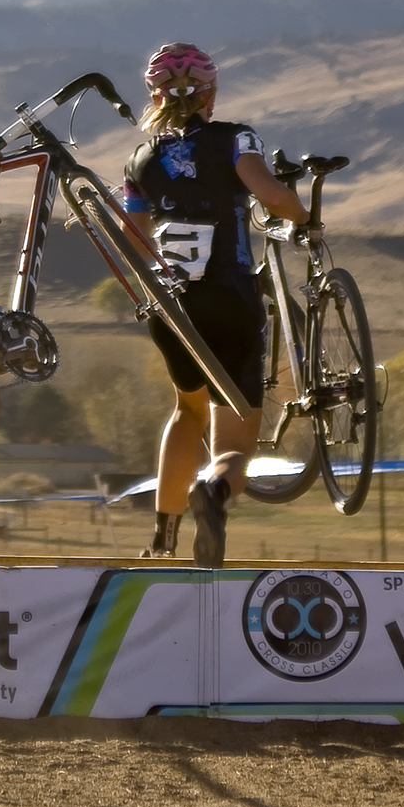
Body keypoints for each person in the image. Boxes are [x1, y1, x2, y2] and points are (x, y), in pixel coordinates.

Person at [120, 41, 309, 567]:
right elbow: (266, 191)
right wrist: (304, 217)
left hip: (171, 310)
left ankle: (163, 535)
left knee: (186, 411)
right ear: (212, 92)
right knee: (233, 449)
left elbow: (131, 236)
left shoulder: (140, 159)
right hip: (230, 298)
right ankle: (214, 492)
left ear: (154, 96)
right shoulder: (235, 139)